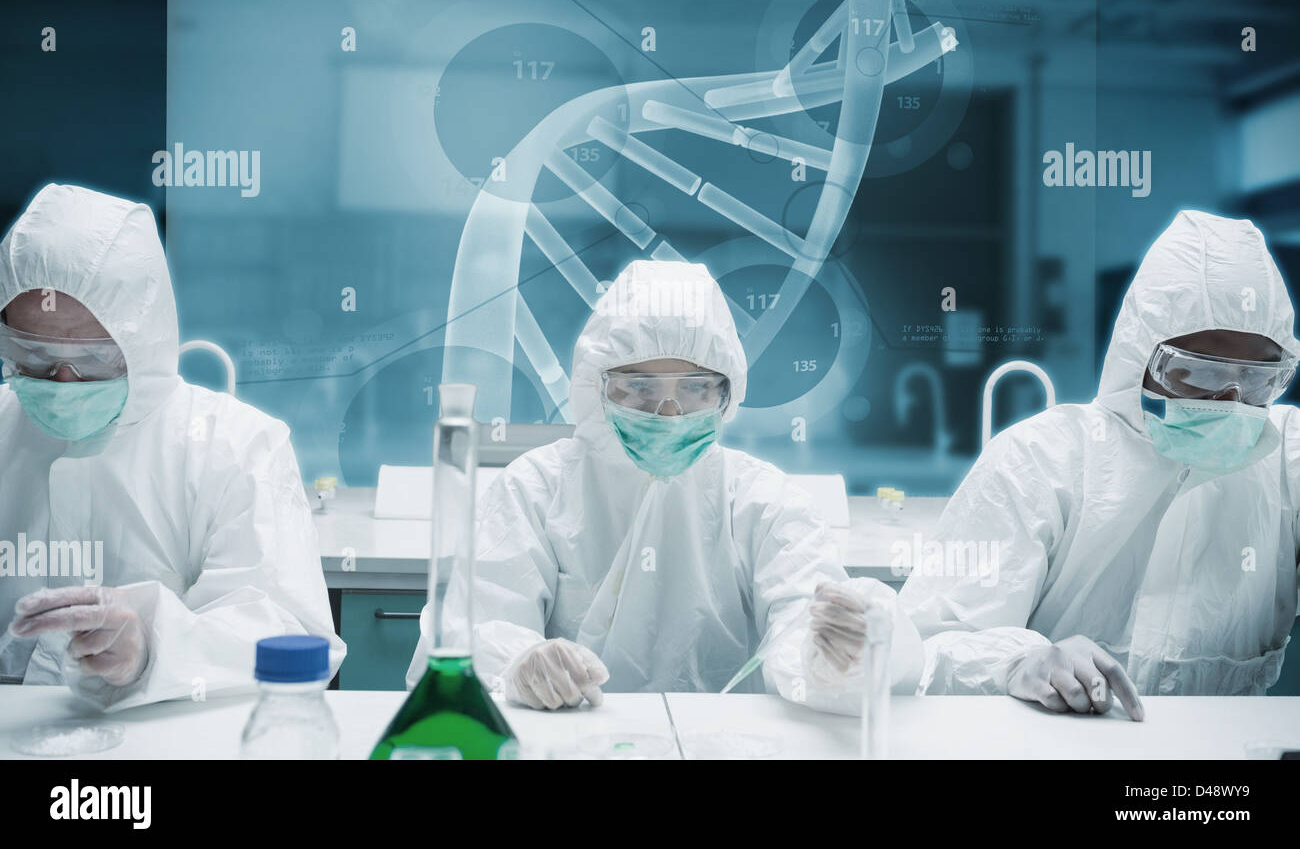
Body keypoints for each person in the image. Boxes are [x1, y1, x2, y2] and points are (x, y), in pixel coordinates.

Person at [406, 259, 922, 711]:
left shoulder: (762, 501)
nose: (668, 412)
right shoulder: (536, 488)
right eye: (638, 388)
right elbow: (474, 626)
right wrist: (519, 665)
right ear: (596, 388)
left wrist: (836, 658)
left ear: (727, 392)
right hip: (569, 742)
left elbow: (804, 619)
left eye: (695, 388)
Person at [900, 210, 1300, 717]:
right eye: (1197, 373)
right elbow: (929, 642)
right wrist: (1018, 661)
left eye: (1258, 376)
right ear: (1142, 355)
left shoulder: (1287, 461)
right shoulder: (1042, 460)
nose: (1231, 399)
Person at [0, 184, 343, 709]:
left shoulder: (236, 446)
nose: (63, 382)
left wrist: (152, 648)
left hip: (166, 738)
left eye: (92, 360)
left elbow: (291, 632)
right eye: (34, 355)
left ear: (144, 339)